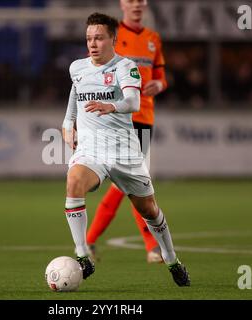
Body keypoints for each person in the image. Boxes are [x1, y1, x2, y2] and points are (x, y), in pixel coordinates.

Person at [62, 12, 190, 286]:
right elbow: (75, 92)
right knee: (73, 181)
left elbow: (133, 101)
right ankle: (83, 254)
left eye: (98, 38)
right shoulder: (77, 67)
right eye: (88, 38)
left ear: (113, 40)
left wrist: (111, 106)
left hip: (125, 152)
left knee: (150, 210)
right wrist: (67, 122)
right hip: (91, 149)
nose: (92, 44)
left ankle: (171, 259)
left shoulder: (125, 67)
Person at [86, 0, 167, 263]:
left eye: (141, 1)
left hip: (144, 118)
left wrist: (159, 84)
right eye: (131, 0)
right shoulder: (109, 36)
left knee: (129, 183)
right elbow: (93, 73)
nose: (137, 5)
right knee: (133, 182)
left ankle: (90, 242)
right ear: (122, 4)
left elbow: (161, 76)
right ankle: (151, 246)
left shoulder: (153, 39)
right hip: (118, 118)